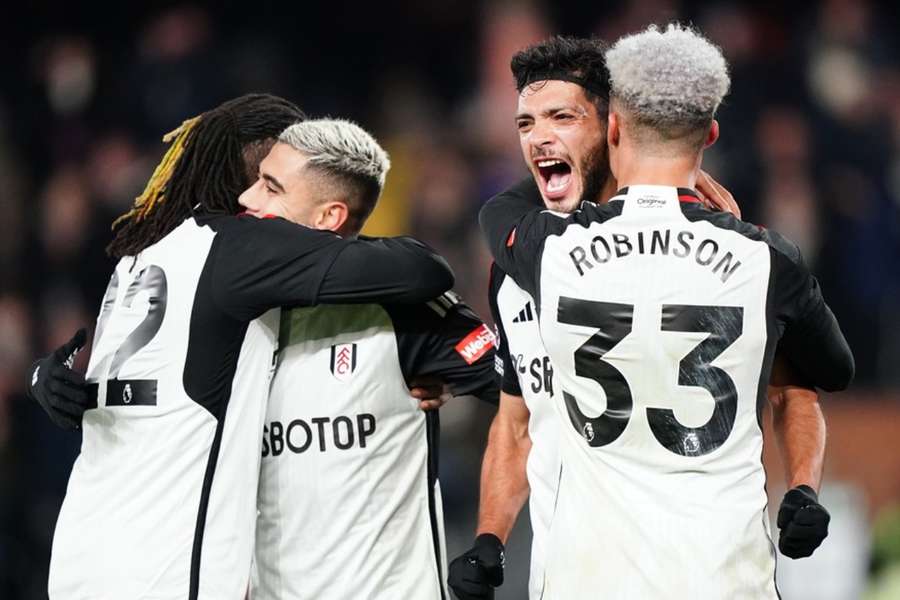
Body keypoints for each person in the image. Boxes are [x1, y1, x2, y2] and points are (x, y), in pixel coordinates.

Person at [475, 25, 853, 599]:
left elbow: (496, 216)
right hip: (722, 576)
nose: (539, 141)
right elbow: (829, 372)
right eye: (526, 123)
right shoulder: (760, 259)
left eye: (563, 119)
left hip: (587, 578)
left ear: (614, 126)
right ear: (710, 134)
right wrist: (490, 538)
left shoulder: (546, 256)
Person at [26, 94, 454, 600]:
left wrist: (41, 378)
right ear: (249, 166)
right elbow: (421, 270)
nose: (264, 192)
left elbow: (111, 382)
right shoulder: (239, 249)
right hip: (165, 567)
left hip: (81, 553)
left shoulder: (142, 256)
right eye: (273, 172)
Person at [239, 119, 498, 600]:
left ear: (327, 217)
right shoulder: (237, 311)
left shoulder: (401, 309)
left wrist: (491, 537)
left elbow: (518, 381)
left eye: (271, 187)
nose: (249, 199)